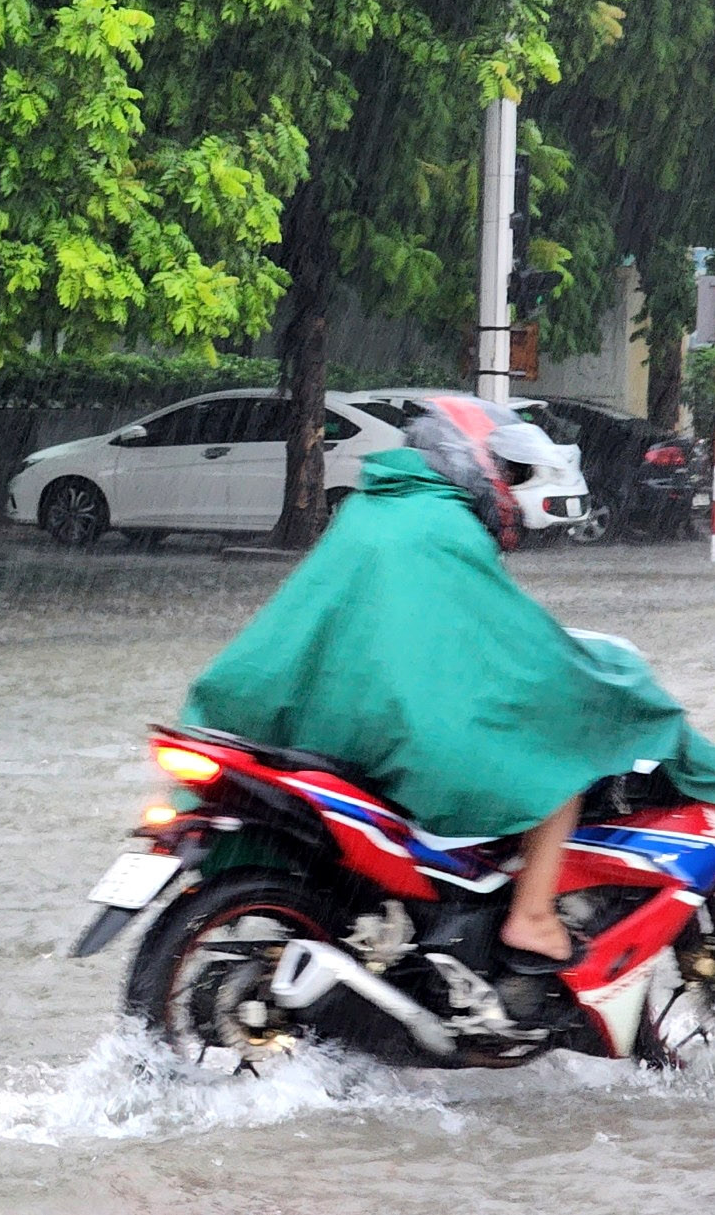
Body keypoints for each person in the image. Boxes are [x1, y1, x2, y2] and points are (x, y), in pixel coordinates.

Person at [185, 396, 715, 973]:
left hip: (312, 719)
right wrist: (608, 686)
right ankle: (532, 917)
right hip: (391, 731)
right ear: (474, 461)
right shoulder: (446, 528)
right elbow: (518, 648)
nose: (510, 490)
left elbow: (439, 630)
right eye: (509, 473)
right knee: (561, 759)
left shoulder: (376, 509)